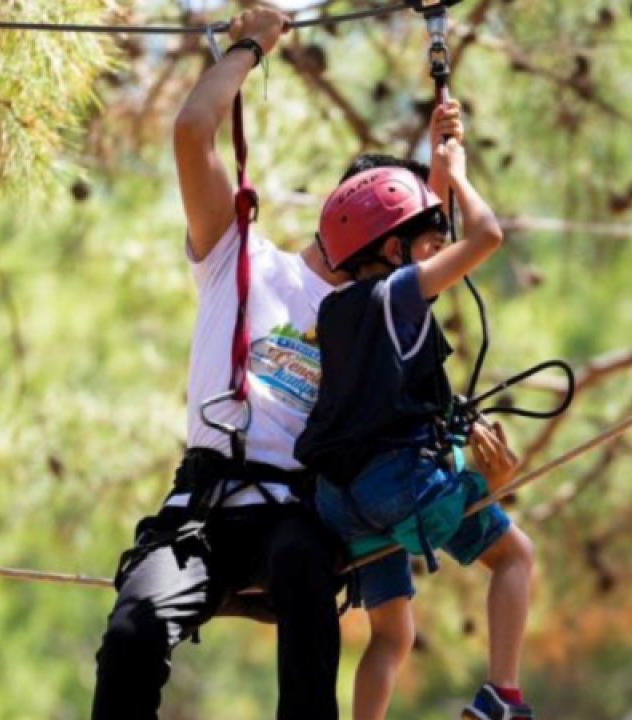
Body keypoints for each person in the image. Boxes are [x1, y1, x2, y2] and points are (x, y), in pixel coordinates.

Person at [90, 7, 477, 719]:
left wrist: (445, 171)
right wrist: (248, 47)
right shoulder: (239, 258)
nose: (421, 265)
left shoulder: (377, 319)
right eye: (413, 242)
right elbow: (192, 132)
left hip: (293, 517)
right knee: (129, 636)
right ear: (382, 239)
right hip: (203, 510)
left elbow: (438, 273)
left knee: (303, 571)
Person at [295, 134, 539, 719]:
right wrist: (457, 174)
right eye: (429, 247)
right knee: (515, 557)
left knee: (391, 635)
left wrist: (435, 172)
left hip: (339, 499)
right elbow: (487, 237)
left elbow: (410, 234)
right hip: (395, 486)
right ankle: (502, 696)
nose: (438, 257)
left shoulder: (337, 308)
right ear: (395, 250)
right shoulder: (398, 294)